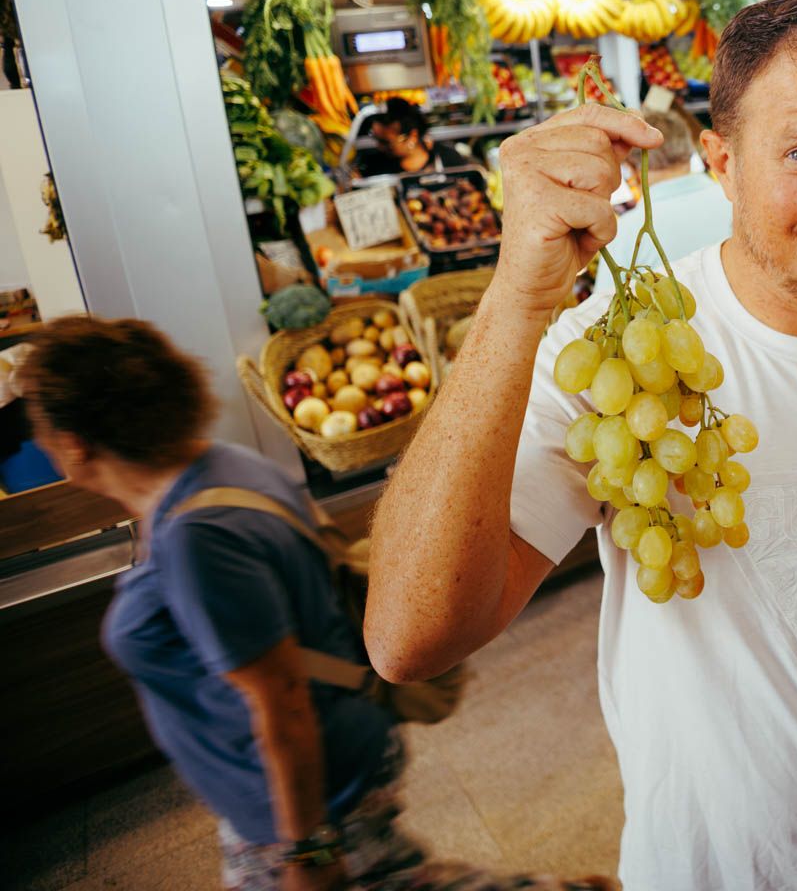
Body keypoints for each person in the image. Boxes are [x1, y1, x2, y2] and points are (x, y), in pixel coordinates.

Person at [365, 0, 797, 891]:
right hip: (710, 867)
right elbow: (408, 639)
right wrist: (516, 293)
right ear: (720, 164)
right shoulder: (620, 351)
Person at [19, 317, 603, 891]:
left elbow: (280, 701)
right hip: (330, 752)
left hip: (308, 786)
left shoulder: (196, 538)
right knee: (396, 877)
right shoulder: (222, 465)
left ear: (72, 444)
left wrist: (306, 846)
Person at [602, 107, 732, 267]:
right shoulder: (734, 200)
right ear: (690, 150)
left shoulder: (626, 232)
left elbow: (610, 292)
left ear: (630, 167)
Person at [355, 100, 450, 178]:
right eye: (377, 140)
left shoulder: (448, 159)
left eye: (386, 142)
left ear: (412, 137)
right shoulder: (373, 167)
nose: (380, 147)